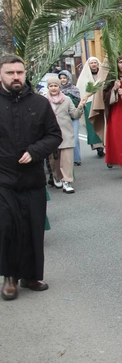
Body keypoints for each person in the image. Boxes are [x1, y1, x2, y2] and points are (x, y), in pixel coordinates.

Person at [0, 54, 62, 301]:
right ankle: (9, 278)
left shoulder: (39, 103)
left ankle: (31, 275)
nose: (16, 77)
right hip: (3, 179)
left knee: (33, 227)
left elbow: (54, 135)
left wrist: (35, 152)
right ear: (1, 75)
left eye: (19, 72)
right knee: (6, 227)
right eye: (10, 73)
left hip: (32, 178)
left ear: (25, 74)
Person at [46, 76, 84, 194]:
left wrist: (81, 106)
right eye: (51, 86)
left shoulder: (67, 99)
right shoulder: (43, 100)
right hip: (50, 134)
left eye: (56, 86)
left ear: (59, 87)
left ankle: (67, 181)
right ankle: (57, 177)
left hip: (66, 133)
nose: (53, 88)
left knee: (67, 159)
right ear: (48, 87)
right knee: (54, 160)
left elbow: (74, 115)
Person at [76, 57, 105, 157]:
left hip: (103, 102)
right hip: (90, 102)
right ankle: (98, 146)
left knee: (105, 123)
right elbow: (82, 90)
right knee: (93, 124)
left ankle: (107, 143)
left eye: (95, 62)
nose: (93, 64)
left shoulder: (103, 75)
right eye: (91, 63)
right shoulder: (84, 77)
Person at [58, 70, 82, 166]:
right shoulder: (56, 90)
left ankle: (76, 158)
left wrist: (67, 98)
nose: (62, 80)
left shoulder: (74, 89)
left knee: (75, 138)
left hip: (73, 116)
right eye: (60, 78)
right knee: (63, 138)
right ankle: (64, 159)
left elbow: (77, 102)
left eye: (64, 78)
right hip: (62, 118)